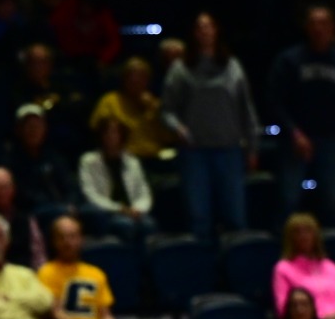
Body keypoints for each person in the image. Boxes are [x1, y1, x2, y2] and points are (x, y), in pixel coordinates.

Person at [162, 12, 259, 239]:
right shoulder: (181, 69)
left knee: (235, 215)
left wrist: (252, 148)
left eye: (209, 26)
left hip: (229, 150)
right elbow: (167, 110)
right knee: (199, 217)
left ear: (216, 31)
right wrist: (178, 128)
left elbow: (247, 109)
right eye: (200, 27)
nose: (205, 31)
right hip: (195, 153)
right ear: (194, 34)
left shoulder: (233, 66)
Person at [268, 5, 335, 227]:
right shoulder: (289, 60)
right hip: (295, 142)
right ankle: (285, 256)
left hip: (330, 140)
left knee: (332, 201)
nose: (318, 29)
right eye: (313, 23)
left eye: (324, 23)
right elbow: (275, 102)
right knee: (289, 201)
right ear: (306, 27)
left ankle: (330, 255)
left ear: (332, 28)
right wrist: (293, 132)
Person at [36, 214, 122, 319]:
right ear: (54, 242)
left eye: (72, 236)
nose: (67, 242)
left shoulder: (96, 273)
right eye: (61, 237)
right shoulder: (46, 272)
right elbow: (55, 313)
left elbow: (105, 315)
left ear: (81, 239)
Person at [273, 212, 335, 319]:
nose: (303, 236)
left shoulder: (331, 266)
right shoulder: (283, 268)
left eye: (307, 231)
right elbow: (283, 309)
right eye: (297, 232)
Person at [87, 56, 170, 161]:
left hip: (155, 158)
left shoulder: (155, 104)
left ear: (148, 81)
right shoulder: (110, 100)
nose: (136, 80)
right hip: (123, 159)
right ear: (124, 79)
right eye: (132, 75)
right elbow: (97, 129)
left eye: (141, 76)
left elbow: (169, 137)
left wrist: (156, 110)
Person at [76, 118, 153, 224]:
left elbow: (143, 192)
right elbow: (90, 194)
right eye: (107, 132)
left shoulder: (132, 161)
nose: (110, 136)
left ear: (122, 135)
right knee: (124, 224)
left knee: (148, 224)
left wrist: (138, 208)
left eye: (115, 132)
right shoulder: (89, 161)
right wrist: (118, 208)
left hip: (133, 210)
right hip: (107, 211)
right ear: (101, 135)